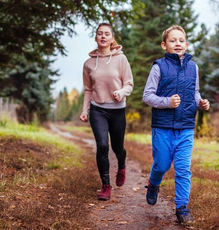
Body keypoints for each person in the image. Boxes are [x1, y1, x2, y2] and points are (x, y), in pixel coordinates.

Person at [142, 25, 210, 224]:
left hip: (186, 127)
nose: (178, 43)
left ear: (186, 44)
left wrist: (200, 102)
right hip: (162, 127)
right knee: (161, 164)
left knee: (182, 168)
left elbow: (195, 92)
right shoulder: (159, 67)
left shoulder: (193, 67)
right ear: (164, 45)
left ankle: (182, 208)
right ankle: (153, 183)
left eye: (181, 40)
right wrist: (167, 102)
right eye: (173, 40)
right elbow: (147, 96)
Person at [79, 22, 134, 201]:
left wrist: (121, 92)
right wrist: (85, 110)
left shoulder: (121, 59)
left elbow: (129, 84)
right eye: (100, 33)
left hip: (117, 110)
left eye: (107, 34)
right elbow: (88, 89)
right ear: (96, 38)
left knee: (117, 147)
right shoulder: (88, 64)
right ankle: (105, 185)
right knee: (102, 146)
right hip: (98, 109)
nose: (103, 36)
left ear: (112, 38)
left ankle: (122, 164)